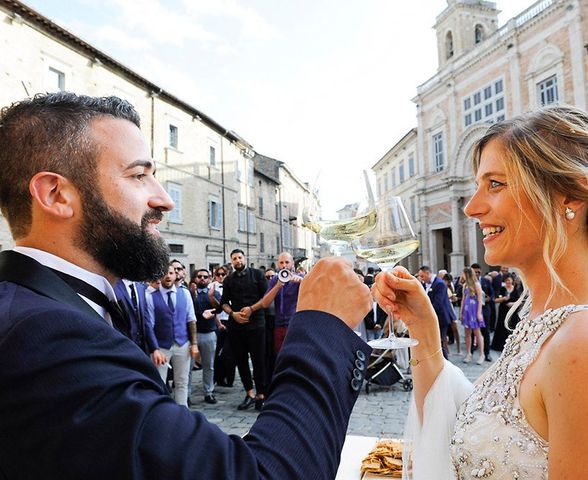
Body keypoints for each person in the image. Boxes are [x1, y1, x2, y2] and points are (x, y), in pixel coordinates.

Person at [0, 92, 373, 479]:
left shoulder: (56, 310)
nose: (164, 200)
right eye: (139, 175)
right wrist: (324, 324)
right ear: (56, 195)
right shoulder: (43, 338)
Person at [372, 105, 588, 479]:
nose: (471, 207)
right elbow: (482, 429)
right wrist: (423, 330)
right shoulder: (545, 323)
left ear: (570, 196)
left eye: (495, 184)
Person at [220, 248, 269, 411]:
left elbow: (266, 298)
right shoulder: (228, 280)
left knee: (258, 360)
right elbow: (224, 303)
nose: (237, 261)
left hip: (256, 323)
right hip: (236, 326)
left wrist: (251, 309)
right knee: (240, 360)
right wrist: (233, 314)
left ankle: (261, 394)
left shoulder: (257, 275)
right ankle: (249, 393)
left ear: (245, 258)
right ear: (231, 261)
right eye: (234, 259)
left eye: (240, 257)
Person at [146, 264, 199, 407]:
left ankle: (183, 414)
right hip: (161, 346)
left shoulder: (185, 294)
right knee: (159, 383)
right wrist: (154, 348)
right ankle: (162, 414)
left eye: (171, 273)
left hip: (183, 344)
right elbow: (149, 326)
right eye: (164, 273)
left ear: (176, 275)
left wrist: (194, 344)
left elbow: (191, 319)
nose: (168, 276)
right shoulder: (151, 297)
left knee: (182, 382)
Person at [191, 267, 222, 404]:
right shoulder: (189, 293)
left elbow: (219, 308)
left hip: (209, 333)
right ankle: (186, 393)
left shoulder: (214, 293)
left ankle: (208, 392)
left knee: (209, 365)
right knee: (189, 366)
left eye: (205, 276)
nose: (202, 279)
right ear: (195, 278)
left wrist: (211, 296)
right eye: (199, 276)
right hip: (193, 334)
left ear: (209, 279)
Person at [417, 266, 454, 359]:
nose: (421, 278)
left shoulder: (439, 284)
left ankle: (445, 362)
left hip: (441, 317)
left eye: (422, 276)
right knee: (434, 340)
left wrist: (423, 313)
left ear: (428, 273)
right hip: (432, 317)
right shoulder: (425, 284)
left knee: (440, 340)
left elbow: (438, 304)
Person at [459, 266, 485, 365]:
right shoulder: (465, 285)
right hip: (466, 311)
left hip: (474, 311)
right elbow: (463, 299)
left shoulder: (477, 284)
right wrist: (461, 312)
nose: (462, 275)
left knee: (477, 333)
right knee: (467, 333)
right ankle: (469, 353)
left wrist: (479, 313)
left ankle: (481, 354)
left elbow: (479, 299)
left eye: (463, 273)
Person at [490, 274, 522, 351]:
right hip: (503, 311)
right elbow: (495, 300)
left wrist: (513, 304)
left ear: (512, 281)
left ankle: (511, 345)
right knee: (502, 326)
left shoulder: (516, 290)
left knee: (511, 327)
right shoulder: (502, 289)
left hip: (513, 312)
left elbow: (520, 301)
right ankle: (499, 346)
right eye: (507, 280)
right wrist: (504, 299)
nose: (508, 282)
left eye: (509, 280)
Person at [471, 262, 494, 362]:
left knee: (486, 331)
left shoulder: (485, 281)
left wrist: (488, 298)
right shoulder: (468, 283)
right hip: (472, 311)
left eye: (478, 272)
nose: (476, 274)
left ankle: (487, 353)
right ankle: (471, 351)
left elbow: (492, 294)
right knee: (472, 332)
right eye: (474, 272)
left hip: (484, 310)